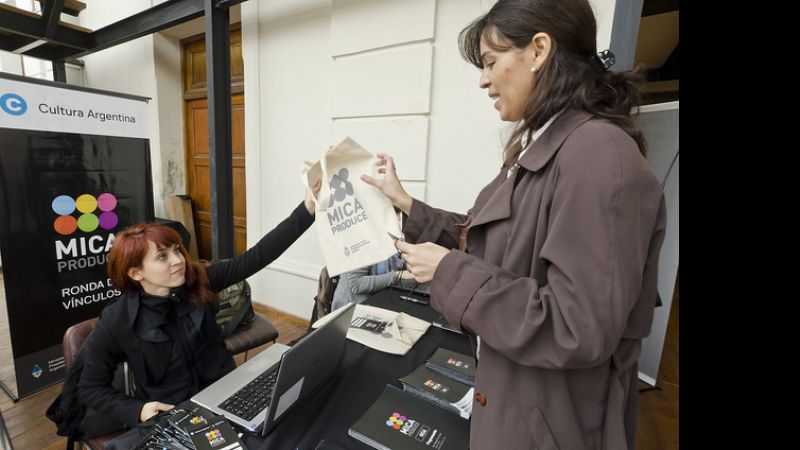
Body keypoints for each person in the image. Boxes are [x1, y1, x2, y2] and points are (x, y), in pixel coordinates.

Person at [361, 1, 666, 448]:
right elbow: (487, 239)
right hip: (515, 400)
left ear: (539, 50)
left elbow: (576, 327)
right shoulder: (543, 145)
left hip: (552, 425)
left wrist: (448, 271)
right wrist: (404, 201)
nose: (484, 81)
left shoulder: (600, 156)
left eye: (490, 62)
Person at [78, 183, 319, 449]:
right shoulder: (117, 320)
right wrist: (138, 410)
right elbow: (90, 387)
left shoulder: (200, 280)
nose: (178, 260)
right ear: (136, 273)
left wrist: (307, 209)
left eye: (176, 250)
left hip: (228, 396)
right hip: (172, 414)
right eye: (162, 257)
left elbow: (256, 257)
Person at [330, 254, 406, 311]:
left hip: (376, 300)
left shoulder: (385, 239)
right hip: (350, 309)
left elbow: (394, 264)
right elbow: (356, 285)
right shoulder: (360, 242)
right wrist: (396, 275)